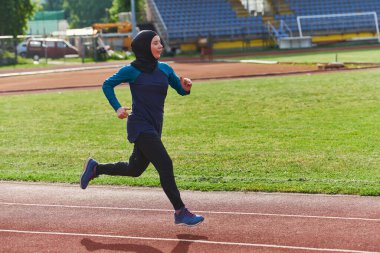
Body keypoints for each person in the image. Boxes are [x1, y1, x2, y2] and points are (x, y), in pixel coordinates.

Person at [80, 30, 204, 227]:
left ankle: (96, 168)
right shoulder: (132, 70)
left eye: (160, 42)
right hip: (140, 126)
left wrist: (186, 87)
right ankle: (180, 211)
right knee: (165, 164)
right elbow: (107, 84)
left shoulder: (165, 69)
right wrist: (117, 107)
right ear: (145, 46)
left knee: (134, 169)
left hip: (155, 127)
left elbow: (179, 89)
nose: (161, 46)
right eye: (156, 43)